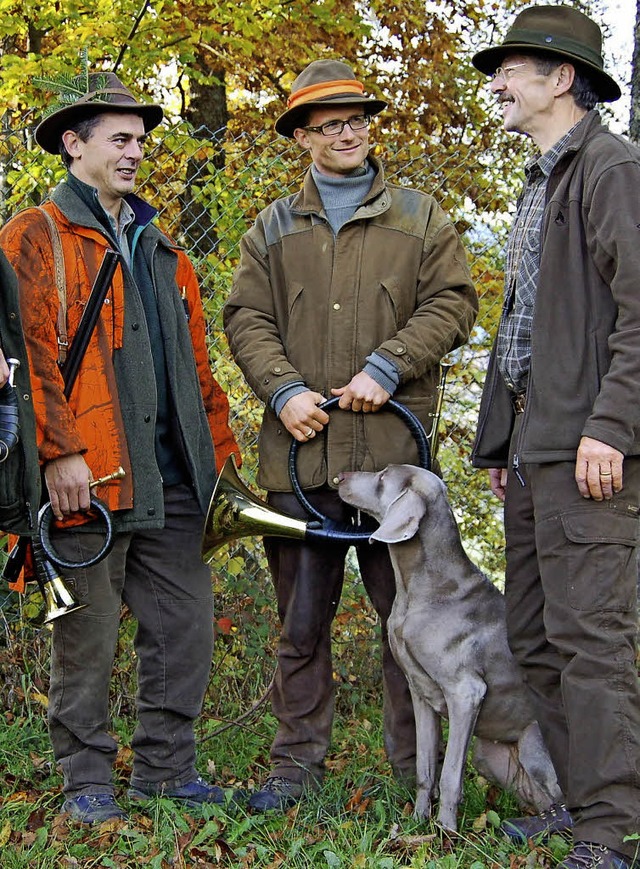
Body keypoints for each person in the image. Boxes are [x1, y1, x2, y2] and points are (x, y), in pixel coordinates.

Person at [224, 58, 478, 811]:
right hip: (301, 461)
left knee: (412, 630)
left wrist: (388, 367)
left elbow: (455, 304)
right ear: (301, 135)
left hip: (392, 472)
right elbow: (246, 318)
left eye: (357, 120)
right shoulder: (270, 227)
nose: (346, 133)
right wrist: (283, 389)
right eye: (329, 123)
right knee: (300, 625)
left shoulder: (421, 217)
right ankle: (294, 770)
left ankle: (416, 775)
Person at [0, 72, 241, 824]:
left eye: (141, 140)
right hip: (89, 476)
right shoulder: (33, 234)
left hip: (171, 479)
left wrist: (222, 469)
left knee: (184, 623)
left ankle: (168, 772)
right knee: (86, 633)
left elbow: (198, 374)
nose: (136, 152)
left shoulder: (166, 250)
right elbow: (26, 351)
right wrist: (58, 453)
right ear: (73, 144)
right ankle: (86, 779)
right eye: (120, 139)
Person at [471, 7, 640, 868]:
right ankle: (577, 807)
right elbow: (526, 327)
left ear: (561, 78)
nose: (497, 84)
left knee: (592, 637)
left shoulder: (611, 171)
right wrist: (500, 440)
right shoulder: (543, 181)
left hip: (592, 456)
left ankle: (612, 830)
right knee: (534, 632)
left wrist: (611, 426)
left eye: (512, 69)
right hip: (537, 451)